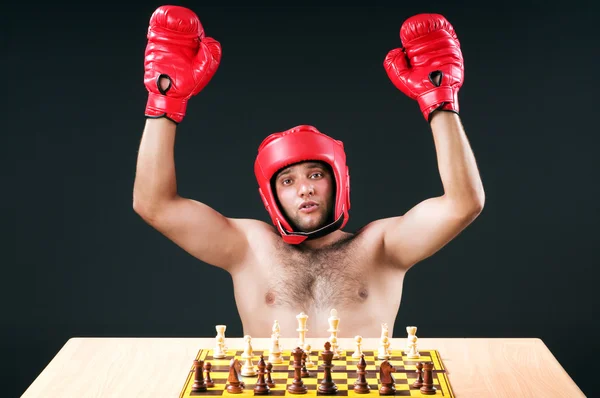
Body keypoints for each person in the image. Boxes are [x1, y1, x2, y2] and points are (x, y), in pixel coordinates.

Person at [133, 6, 485, 338]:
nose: (304, 189)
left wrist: (439, 102)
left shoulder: (381, 246)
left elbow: (463, 204)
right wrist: (165, 103)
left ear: (338, 181)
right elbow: (154, 205)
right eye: (288, 181)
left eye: (315, 175)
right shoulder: (248, 247)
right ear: (271, 195)